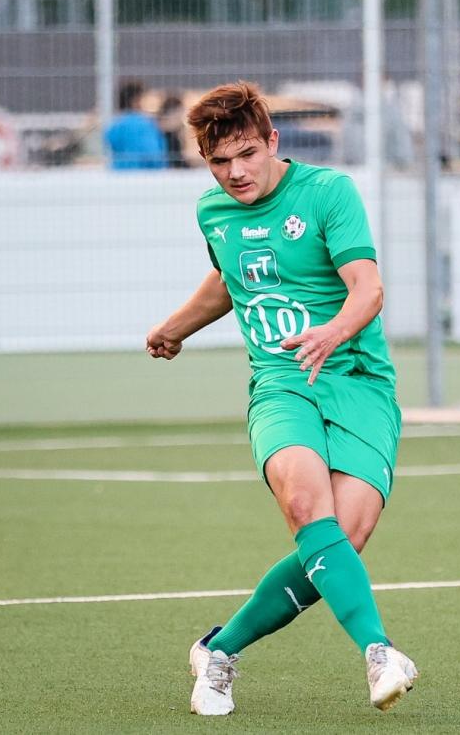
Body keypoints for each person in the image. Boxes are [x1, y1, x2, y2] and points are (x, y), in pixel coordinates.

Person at [146, 81, 417, 715]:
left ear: (273, 141)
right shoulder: (212, 211)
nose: (235, 173)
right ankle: (380, 652)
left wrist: (332, 330)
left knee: (343, 537)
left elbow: (368, 289)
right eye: (218, 161)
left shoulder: (329, 193)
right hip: (281, 381)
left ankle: (220, 649)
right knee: (303, 503)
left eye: (246, 154)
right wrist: (174, 328)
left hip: (358, 381)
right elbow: (230, 277)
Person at [104, 80, 167, 169]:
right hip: (144, 176)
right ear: (136, 100)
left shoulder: (114, 125)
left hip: (118, 173)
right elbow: (153, 155)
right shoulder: (145, 125)